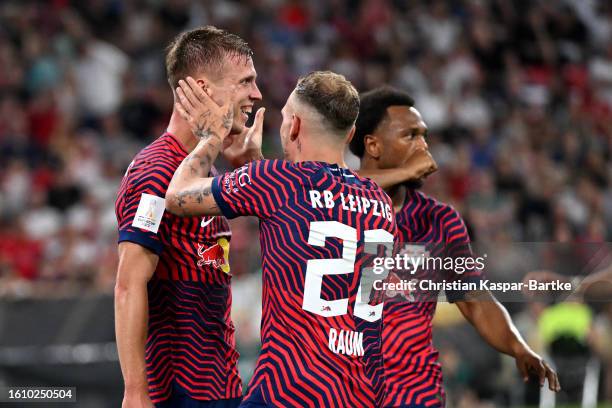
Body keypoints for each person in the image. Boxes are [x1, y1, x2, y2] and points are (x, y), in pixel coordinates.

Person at [165, 71, 396, 407]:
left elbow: (176, 196)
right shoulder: (381, 203)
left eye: (285, 118)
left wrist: (211, 136)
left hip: (289, 390)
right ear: (349, 135)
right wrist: (252, 168)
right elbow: (304, 224)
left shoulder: (274, 180)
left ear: (295, 127)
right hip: (362, 392)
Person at [351, 86, 561, 407]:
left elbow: (475, 300)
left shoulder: (441, 219)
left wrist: (518, 346)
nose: (424, 146)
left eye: (424, 136)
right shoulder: (332, 202)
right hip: (341, 384)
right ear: (372, 144)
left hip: (414, 391)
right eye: (410, 135)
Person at [114, 26, 263, 408]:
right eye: (245, 81)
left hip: (220, 386)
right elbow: (129, 285)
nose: (256, 94)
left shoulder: (203, 173)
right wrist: (135, 392)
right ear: (203, 89)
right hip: (177, 391)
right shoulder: (156, 171)